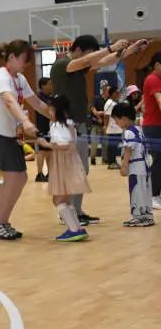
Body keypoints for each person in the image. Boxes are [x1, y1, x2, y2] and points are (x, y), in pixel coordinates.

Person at [49, 36, 148, 224]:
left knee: (81, 169)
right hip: (65, 127)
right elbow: (89, 60)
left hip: (77, 125)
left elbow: (104, 61)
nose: (92, 57)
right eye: (90, 53)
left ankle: (76, 211)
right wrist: (111, 48)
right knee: (73, 171)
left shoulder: (78, 66)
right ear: (79, 50)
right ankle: (68, 212)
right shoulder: (62, 65)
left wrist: (132, 49)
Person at [0, 40, 56, 241]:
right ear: (11, 57)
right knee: (13, 177)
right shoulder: (0, 76)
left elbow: (36, 102)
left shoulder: (19, 79)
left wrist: (57, 117)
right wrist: (25, 121)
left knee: (20, 178)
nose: (26, 64)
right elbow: (10, 101)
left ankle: (1, 221)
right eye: (24, 59)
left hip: (8, 135)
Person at [44, 94, 91, 242]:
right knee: (65, 199)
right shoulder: (70, 123)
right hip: (71, 163)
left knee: (58, 200)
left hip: (63, 163)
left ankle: (74, 230)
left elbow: (65, 146)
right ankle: (77, 228)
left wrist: (46, 144)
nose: (49, 112)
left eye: (51, 110)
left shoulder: (58, 125)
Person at [113, 102, 154, 227]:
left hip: (136, 167)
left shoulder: (128, 132)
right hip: (145, 165)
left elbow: (128, 150)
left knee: (135, 190)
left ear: (124, 119)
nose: (117, 124)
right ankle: (147, 216)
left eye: (117, 120)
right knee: (145, 191)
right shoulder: (139, 129)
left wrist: (124, 166)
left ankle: (138, 217)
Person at [143, 51, 161, 207]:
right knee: (158, 160)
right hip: (154, 127)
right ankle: (153, 196)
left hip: (157, 125)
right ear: (156, 65)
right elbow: (160, 102)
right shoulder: (153, 79)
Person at [32, 77, 54, 182]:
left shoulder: (50, 97)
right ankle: (39, 174)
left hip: (50, 127)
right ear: (43, 86)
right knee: (42, 151)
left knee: (49, 151)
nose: (51, 86)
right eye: (49, 84)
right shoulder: (39, 97)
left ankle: (50, 173)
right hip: (42, 127)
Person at [101, 86, 122, 170]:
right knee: (112, 146)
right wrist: (105, 126)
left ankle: (113, 161)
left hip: (117, 128)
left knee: (114, 146)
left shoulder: (114, 103)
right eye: (117, 92)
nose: (119, 94)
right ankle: (111, 162)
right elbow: (106, 116)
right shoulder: (109, 103)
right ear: (113, 93)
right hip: (113, 128)